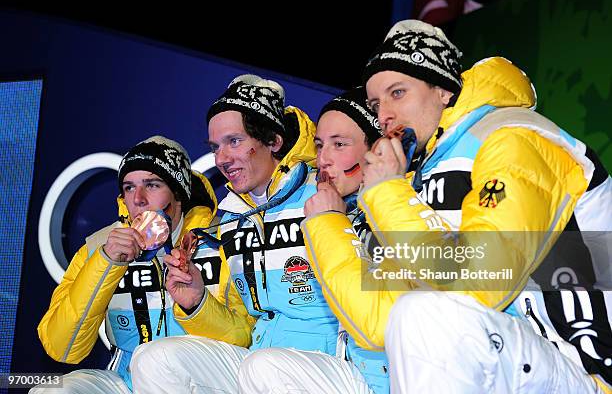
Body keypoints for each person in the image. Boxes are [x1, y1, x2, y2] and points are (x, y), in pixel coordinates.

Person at [301, 20, 612, 393]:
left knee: (425, 314)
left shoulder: (513, 137)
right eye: (375, 103)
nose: (384, 114)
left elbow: (474, 283)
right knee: (271, 367)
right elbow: (379, 322)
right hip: (505, 356)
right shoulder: (420, 172)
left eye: (397, 93)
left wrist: (387, 193)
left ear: (444, 90)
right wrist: (330, 224)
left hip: (581, 369)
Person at [129, 74, 340, 393]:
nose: (221, 159)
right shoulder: (231, 217)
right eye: (215, 147)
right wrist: (197, 302)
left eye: (234, 141)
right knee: (154, 357)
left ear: (273, 141)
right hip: (259, 361)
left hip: (328, 364)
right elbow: (242, 330)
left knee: (265, 366)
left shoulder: (327, 192)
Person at [34, 136, 219, 393]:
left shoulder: (218, 241)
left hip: (200, 380)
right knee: (53, 390)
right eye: (129, 187)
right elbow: (61, 347)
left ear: (178, 193)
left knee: (160, 361)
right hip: (126, 380)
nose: (138, 199)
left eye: (152, 185)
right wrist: (107, 263)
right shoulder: (98, 247)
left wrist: (197, 304)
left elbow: (243, 335)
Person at [237, 87, 390, 393]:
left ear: (378, 148)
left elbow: (376, 321)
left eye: (340, 144)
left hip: (386, 379)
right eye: (320, 145)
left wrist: (331, 223)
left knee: (266, 367)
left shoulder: (401, 205)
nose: (323, 159)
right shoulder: (335, 207)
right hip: (343, 369)